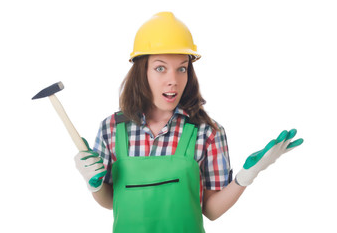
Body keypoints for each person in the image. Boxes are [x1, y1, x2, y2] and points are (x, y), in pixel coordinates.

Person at [74, 12, 303, 233]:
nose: (173, 80)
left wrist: (247, 175)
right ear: (141, 72)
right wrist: (94, 184)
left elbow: (211, 211)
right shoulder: (112, 128)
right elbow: (111, 201)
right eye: (160, 68)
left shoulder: (207, 132)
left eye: (182, 68)